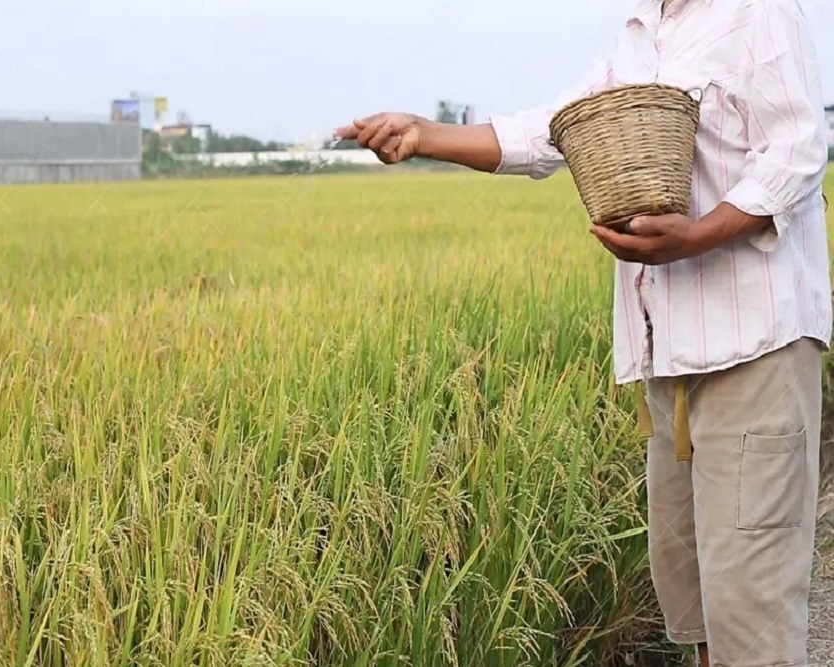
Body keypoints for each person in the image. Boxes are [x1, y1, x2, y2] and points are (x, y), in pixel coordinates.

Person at [335, 0, 831, 665]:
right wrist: (423, 135)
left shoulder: (761, 10)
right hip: (670, 361)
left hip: (755, 349)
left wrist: (696, 237)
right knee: (700, 609)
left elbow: (799, 149)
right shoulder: (638, 35)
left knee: (754, 617)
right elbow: (553, 131)